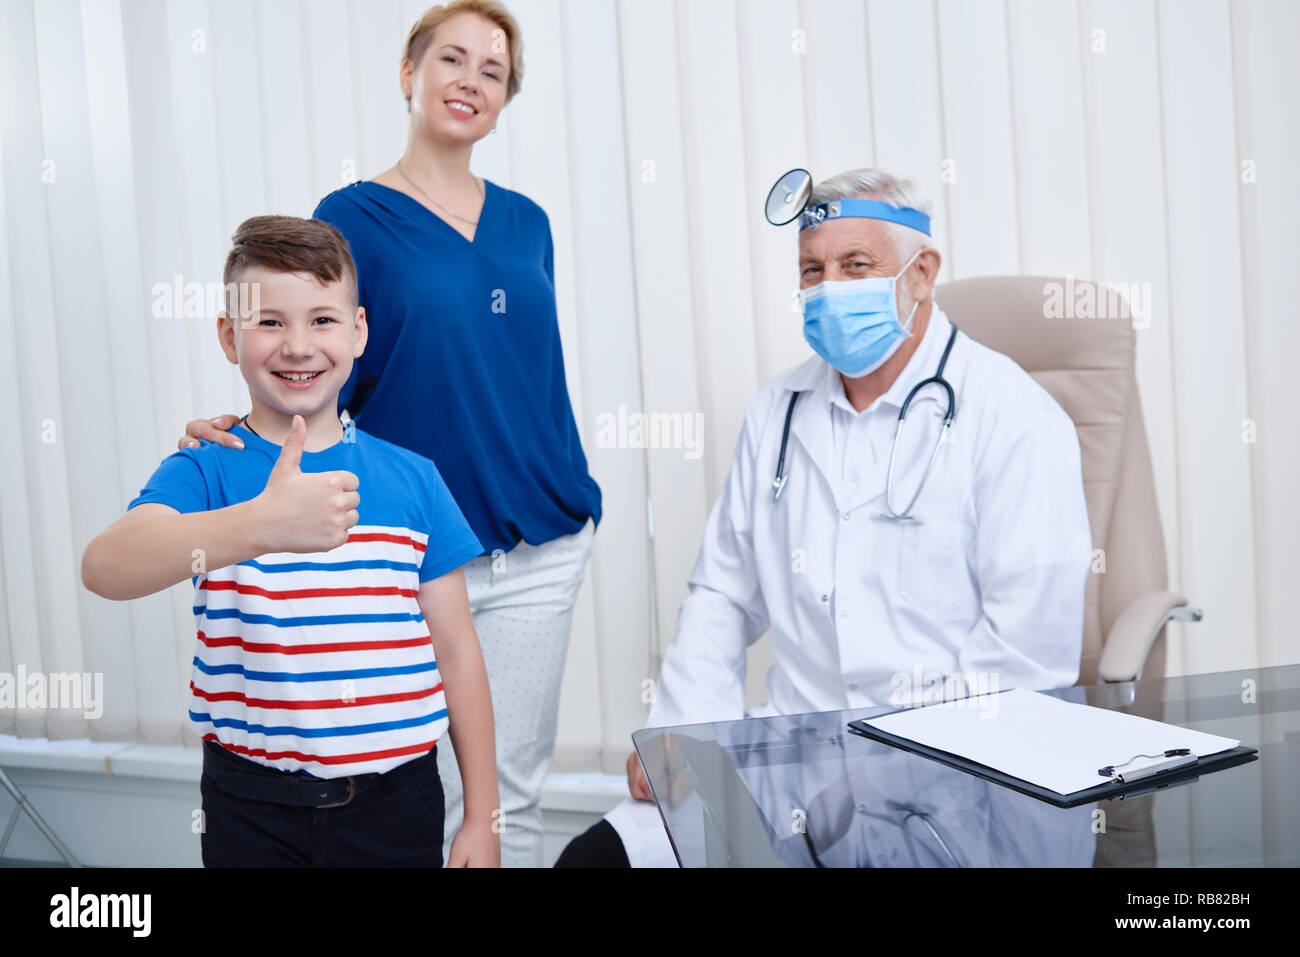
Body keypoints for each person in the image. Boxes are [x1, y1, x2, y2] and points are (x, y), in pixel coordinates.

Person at [555, 167, 1093, 867]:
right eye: (812, 269)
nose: (829, 287)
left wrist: (870, 776)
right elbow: (724, 590)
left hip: (959, 788)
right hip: (794, 758)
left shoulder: (1015, 419)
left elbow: (1023, 660)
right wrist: (678, 731)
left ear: (922, 272)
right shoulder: (777, 411)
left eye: (855, 265)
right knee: (593, 861)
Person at [178, 1, 600, 867]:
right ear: (409, 75)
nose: (471, 81)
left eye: (493, 70)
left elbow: (524, 370)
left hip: (539, 542)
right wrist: (243, 431)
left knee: (503, 801)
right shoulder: (352, 214)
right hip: (404, 543)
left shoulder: (529, 223)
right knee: (408, 781)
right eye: (453, 59)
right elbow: (308, 346)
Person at [82, 215, 499, 867]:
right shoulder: (207, 467)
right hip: (251, 807)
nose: (297, 344)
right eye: (269, 321)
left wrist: (481, 814)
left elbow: (458, 652)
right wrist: (259, 524)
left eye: (322, 320)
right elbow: (105, 566)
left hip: (398, 802)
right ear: (229, 335)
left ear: (358, 330)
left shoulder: (414, 480)